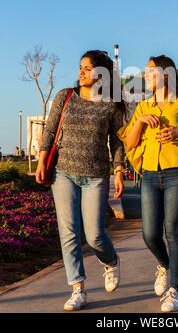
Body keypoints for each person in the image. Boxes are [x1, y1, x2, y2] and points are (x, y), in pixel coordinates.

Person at [35, 50, 125, 311]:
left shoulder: (110, 104)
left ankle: (111, 262)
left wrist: (118, 171)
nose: (81, 72)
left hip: (96, 176)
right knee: (69, 233)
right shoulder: (65, 97)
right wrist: (42, 161)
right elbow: (50, 130)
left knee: (95, 235)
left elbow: (117, 142)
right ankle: (78, 288)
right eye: (81, 67)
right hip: (62, 173)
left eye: (87, 68)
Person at [118, 55, 178, 312]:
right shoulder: (144, 106)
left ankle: (174, 291)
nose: (146, 76)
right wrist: (140, 121)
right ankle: (164, 265)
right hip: (149, 173)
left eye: (150, 71)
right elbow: (131, 142)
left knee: (173, 230)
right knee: (149, 234)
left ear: (165, 74)